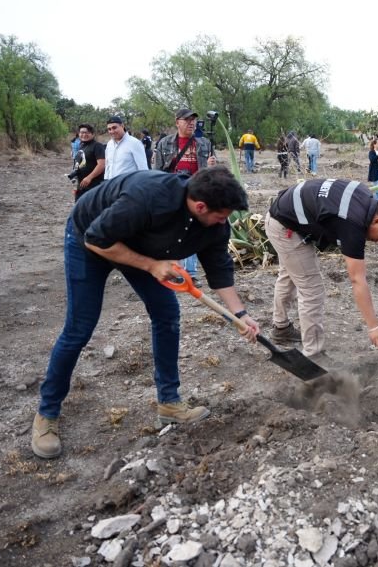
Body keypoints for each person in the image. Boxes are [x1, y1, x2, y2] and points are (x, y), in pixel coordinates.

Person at [30, 168, 260, 459]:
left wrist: (239, 313)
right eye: (221, 215)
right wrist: (151, 266)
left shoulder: (214, 223)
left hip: (143, 248)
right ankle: (47, 413)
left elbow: (218, 268)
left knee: (167, 315)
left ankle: (169, 403)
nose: (223, 222)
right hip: (91, 241)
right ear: (200, 206)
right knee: (80, 328)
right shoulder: (148, 196)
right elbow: (97, 239)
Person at [264, 179, 378, 358]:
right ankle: (313, 354)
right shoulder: (352, 224)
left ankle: (281, 328)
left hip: (283, 214)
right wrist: (374, 327)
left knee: (290, 274)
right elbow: (357, 279)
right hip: (284, 227)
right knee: (312, 289)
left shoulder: (364, 196)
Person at [154, 108, 217, 287]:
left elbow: (212, 172)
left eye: (193, 120)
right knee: (172, 232)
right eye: (187, 120)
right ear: (177, 122)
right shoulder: (165, 143)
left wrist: (212, 166)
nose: (191, 123)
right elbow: (157, 171)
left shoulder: (204, 143)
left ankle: (190, 273)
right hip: (172, 191)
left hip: (196, 192)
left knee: (191, 231)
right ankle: (174, 271)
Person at [71, 123, 106, 200]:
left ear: (92, 134)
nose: (84, 134)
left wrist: (89, 177)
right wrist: (75, 185)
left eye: (87, 132)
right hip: (81, 185)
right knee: (80, 208)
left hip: (93, 185)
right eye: (81, 132)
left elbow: (101, 165)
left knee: (92, 209)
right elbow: (78, 164)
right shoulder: (81, 145)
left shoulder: (97, 146)